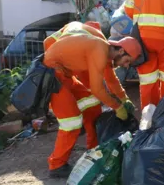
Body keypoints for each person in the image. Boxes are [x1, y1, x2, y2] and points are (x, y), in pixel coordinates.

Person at [43, 31, 141, 177]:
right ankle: (57, 165)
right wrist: (118, 107)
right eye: (127, 61)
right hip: (53, 77)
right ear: (120, 51)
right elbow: (97, 89)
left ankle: (94, 150)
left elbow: (109, 81)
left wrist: (123, 98)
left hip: (65, 75)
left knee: (92, 104)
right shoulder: (100, 51)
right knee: (72, 121)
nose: (126, 66)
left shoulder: (104, 50)